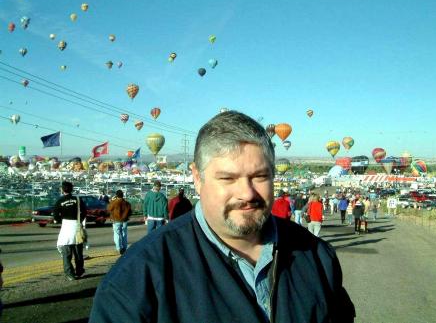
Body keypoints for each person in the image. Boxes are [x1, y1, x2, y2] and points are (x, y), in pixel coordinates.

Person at [89, 111, 355, 322]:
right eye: (228, 178)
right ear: (197, 178)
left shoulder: (317, 256)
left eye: (260, 176)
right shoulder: (138, 277)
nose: (247, 193)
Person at [53, 181, 87, 281]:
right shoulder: (78, 199)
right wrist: (79, 221)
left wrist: (62, 221)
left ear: (62, 190)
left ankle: (70, 274)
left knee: (66, 254)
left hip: (66, 229)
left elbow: (55, 216)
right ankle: (79, 271)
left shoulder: (60, 201)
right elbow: (84, 212)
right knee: (78, 253)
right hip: (77, 228)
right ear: (72, 189)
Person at [108, 190, 132, 254]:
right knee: (124, 234)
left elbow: (109, 208)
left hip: (116, 220)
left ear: (116, 195)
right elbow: (130, 211)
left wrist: (112, 201)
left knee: (117, 234)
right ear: (122, 195)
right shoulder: (126, 203)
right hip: (124, 221)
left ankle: (119, 248)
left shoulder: (114, 202)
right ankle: (124, 247)